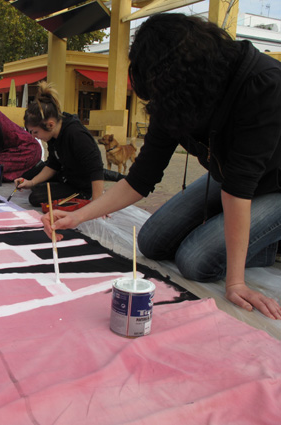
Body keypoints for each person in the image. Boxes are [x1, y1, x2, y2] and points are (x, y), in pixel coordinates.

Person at [43, 14, 281, 320]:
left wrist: (235, 281)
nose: (157, 105)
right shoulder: (173, 95)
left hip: (272, 184)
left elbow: (240, 188)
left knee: (196, 261)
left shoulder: (262, 84)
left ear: (186, 78)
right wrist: (78, 215)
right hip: (230, 178)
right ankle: (244, 234)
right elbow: (141, 178)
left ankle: (268, 244)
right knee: (152, 242)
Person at [15, 81, 110, 207]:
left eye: (35, 132)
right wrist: (31, 182)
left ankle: (83, 196)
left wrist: (97, 204)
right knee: (28, 177)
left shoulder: (76, 134)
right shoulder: (53, 134)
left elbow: (96, 168)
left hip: (80, 184)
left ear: (50, 125)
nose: (33, 136)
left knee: (36, 197)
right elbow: (54, 164)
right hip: (65, 174)